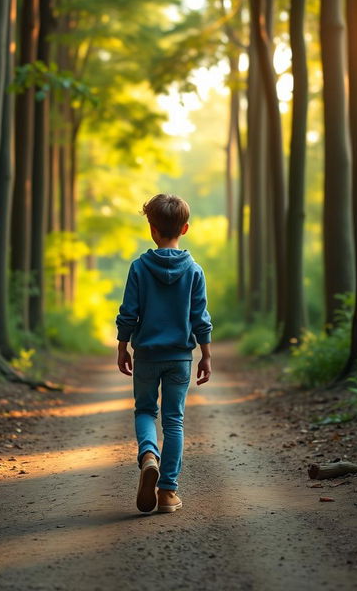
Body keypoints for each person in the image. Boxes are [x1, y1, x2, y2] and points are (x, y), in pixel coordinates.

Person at [116, 193, 212, 513]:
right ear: (185, 229)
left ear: (152, 229)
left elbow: (129, 312)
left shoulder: (139, 268)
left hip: (146, 355)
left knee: (145, 411)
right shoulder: (194, 271)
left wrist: (122, 345)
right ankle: (168, 492)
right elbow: (200, 317)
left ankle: (148, 456)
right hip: (180, 357)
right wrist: (207, 355)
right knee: (174, 421)